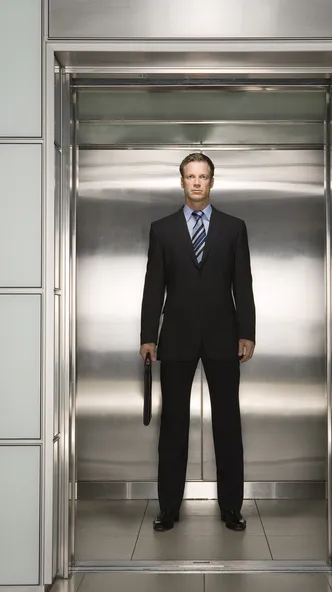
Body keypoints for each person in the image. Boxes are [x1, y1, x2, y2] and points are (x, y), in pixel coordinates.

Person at [139, 153, 256, 532]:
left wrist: (247, 332)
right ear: (181, 181)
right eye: (190, 176)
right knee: (173, 424)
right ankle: (169, 508)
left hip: (224, 336)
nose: (196, 182)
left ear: (211, 181)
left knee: (227, 423)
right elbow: (153, 286)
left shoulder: (234, 227)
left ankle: (231, 508)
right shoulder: (163, 229)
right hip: (175, 337)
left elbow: (244, 284)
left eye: (202, 176)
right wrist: (147, 337)